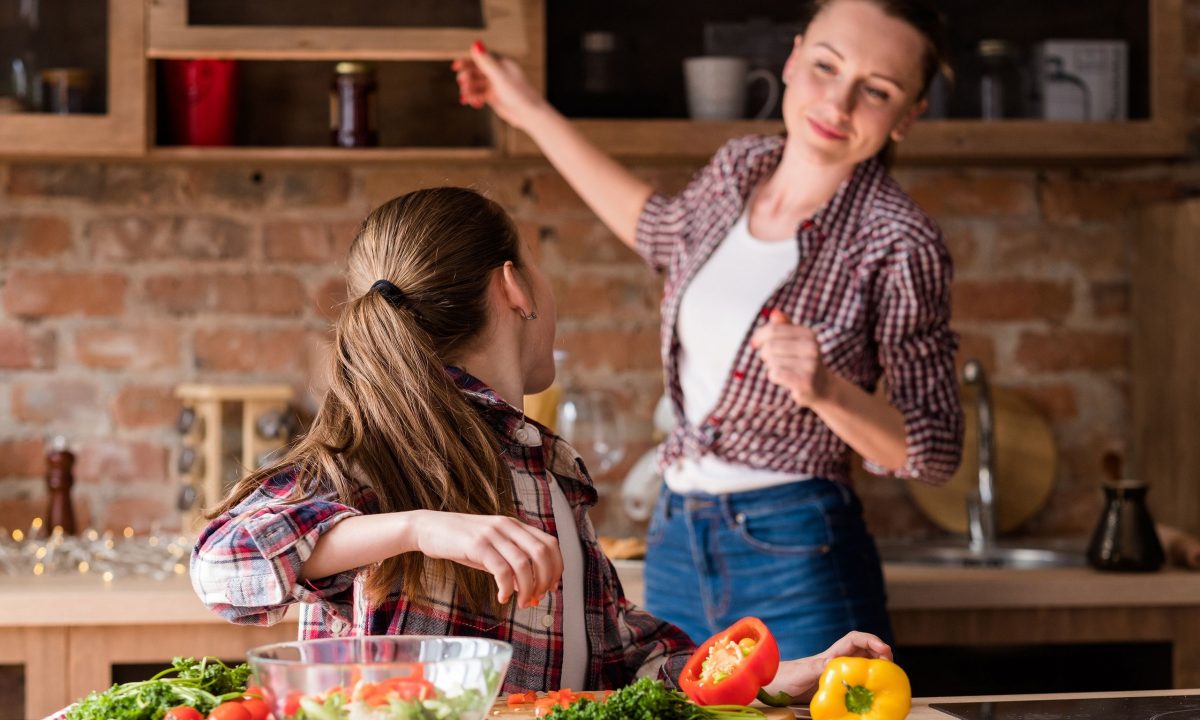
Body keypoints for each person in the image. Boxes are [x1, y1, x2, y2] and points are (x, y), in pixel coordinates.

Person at [190, 186, 893, 696]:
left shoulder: (544, 471)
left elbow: (617, 661)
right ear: (515, 288)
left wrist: (765, 679)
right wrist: (420, 528)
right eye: (538, 264)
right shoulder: (376, 454)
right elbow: (223, 567)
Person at [453, 0, 964, 658]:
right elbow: (656, 229)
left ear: (909, 115)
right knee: (675, 702)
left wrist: (828, 391)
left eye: (877, 90)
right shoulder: (740, 167)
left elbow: (933, 450)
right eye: (826, 66)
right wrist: (526, 109)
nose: (838, 103)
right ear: (793, 59)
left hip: (797, 548)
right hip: (677, 538)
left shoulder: (900, 241)